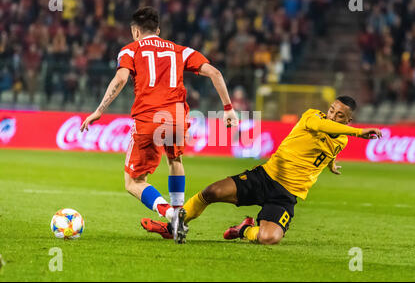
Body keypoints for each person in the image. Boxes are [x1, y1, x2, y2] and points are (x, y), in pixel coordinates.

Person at [80, 7, 238, 243]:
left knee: (134, 182)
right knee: (175, 160)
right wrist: (228, 109)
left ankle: (172, 213)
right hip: (176, 116)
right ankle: (178, 217)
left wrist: (99, 111)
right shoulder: (180, 50)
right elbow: (215, 73)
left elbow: (121, 78)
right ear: (159, 30)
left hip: (148, 118)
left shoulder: (130, 50)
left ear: (135, 32)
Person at [141, 96, 383, 244]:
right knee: (212, 191)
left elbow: (329, 148)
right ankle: (174, 226)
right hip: (265, 177)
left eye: (339, 116)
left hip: (286, 195)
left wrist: (331, 163)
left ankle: (245, 229)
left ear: (347, 121)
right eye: (332, 110)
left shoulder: (342, 140)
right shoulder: (312, 116)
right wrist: (360, 132)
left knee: (270, 238)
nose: (332, 115)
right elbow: (322, 125)